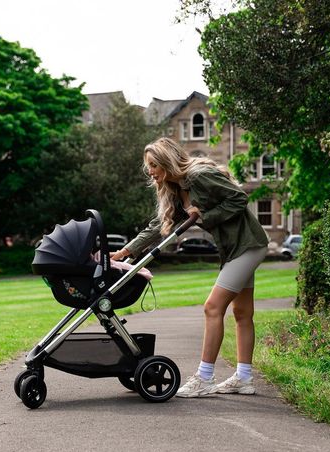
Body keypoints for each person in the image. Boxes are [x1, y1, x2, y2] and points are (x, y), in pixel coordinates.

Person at [111, 137, 270, 397]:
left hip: (248, 245)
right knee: (242, 312)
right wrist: (125, 251)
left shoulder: (198, 176)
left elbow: (238, 198)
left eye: (153, 165)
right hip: (234, 249)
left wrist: (204, 216)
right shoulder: (174, 189)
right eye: (147, 166)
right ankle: (244, 378)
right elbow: (157, 226)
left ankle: (205, 378)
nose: (149, 171)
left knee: (212, 307)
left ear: (166, 162)